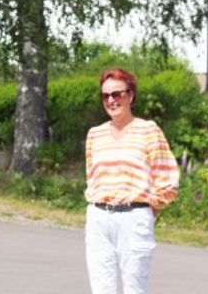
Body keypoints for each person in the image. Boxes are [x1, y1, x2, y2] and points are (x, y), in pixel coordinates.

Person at [84, 68, 180, 294]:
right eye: (105, 96)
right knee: (100, 290)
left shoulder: (148, 130)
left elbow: (166, 176)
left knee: (135, 289)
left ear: (131, 95)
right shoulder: (95, 134)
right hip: (98, 218)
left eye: (117, 94)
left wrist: (146, 212)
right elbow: (92, 177)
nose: (111, 100)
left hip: (134, 218)